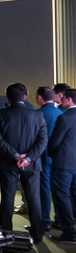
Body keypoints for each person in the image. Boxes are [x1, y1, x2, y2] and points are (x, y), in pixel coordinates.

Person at [0, 83, 48, 243]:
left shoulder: (0, 114)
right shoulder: (37, 115)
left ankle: (6, 232)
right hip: (31, 164)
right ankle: (37, 235)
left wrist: (15, 155)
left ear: (8, 98)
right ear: (25, 96)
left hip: (7, 162)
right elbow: (42, 141)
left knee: (7, 198)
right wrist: (28, 158)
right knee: (33, 199)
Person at [47, 88, 76, 243]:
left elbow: (54, 142)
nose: (61, 100)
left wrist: (52, 154)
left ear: (69, 99)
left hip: (63, 163)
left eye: (63, 98)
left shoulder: (64, 118)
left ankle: (69, 232)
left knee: (62, 197)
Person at [36, 86, 63, 231]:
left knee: (44, 188)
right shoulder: (61, 113)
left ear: (40, 97)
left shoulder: (37, 114)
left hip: (43, 154)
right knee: (59, 188)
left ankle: (45, 220)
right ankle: (59, 219)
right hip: (58, 156)